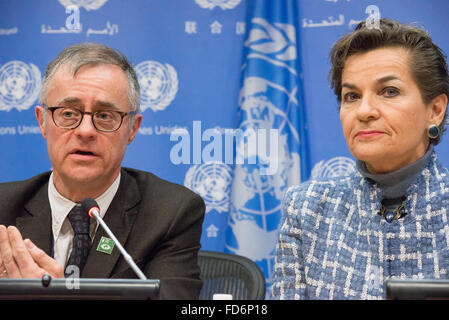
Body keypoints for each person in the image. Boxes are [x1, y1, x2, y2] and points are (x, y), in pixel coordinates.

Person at [0, 43, 205, 300]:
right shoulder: (3, 209)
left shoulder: (170, 214)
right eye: (68, 113)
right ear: (42, 122)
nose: (85, 130)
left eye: (105, 116)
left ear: (132, 128)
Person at [271, 18, 449, 299]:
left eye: (389, 91)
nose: (364, 111)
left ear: (435, 110)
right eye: (351, 96)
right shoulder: (306, 210)